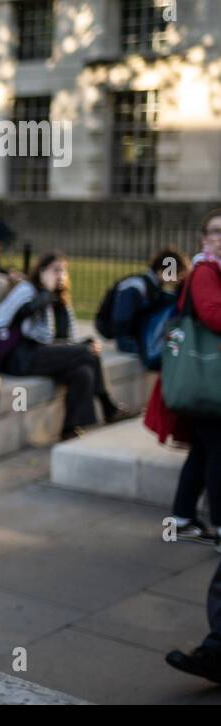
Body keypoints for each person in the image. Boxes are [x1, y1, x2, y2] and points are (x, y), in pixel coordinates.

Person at [162, 208, 221, 684]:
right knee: (213, 453)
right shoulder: (204, 270)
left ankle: (182, 515)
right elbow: (213, 315)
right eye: (216, 231)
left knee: (204, 453)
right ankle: (210, 520)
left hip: (209, 388)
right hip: (210, 388)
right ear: (203, 237)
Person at [0, 252, 125, 440]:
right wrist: (46, 291)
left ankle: (70, 428)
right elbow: (6, 318)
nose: (61, 275)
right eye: (56, 270)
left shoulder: (61, 300)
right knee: (87, 354)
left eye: (64, 271)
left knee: (83, 371)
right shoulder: (27, 291)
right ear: (42, 271)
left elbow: (63, 338)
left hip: (46, 355)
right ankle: (108, 407)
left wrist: (82, 344)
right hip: (21, 356)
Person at [104, 247, 187, 370]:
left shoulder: (157, 289)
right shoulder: (136, 286)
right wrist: (125, 339)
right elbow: (121, 318)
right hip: (121, 333)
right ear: (161, 270)